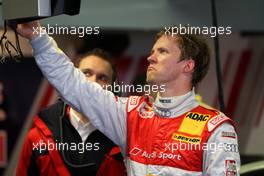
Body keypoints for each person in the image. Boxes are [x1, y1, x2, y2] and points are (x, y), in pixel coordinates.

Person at [17, 21, 240, 175]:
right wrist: (38, 37)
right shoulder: (130, 114)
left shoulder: (215, 128)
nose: (151, 58)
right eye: (153, 51)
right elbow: (74, 85)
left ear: (188, 65)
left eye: (162, 51)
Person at [16, 48, 126, 176]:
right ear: (72, 80)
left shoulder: (124, 142)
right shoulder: (37, 138)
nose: (93, 83)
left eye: (102, 78)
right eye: (86, 73)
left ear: (112, 90)